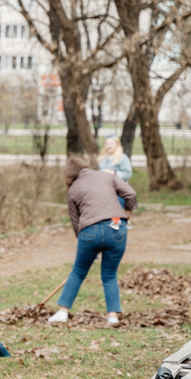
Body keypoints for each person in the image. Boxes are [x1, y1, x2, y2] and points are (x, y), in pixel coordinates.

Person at [47, 157, 137, 326]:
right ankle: (112, 317)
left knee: (78, 272)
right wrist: (127, 215)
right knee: (109, 275)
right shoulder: (107, 176)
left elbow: (76, 222)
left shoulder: (73, 189)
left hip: (89, 232)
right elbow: (130, 194)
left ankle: (62, 312)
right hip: (117, 228)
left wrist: (87, 247)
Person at [98, 135, 133, 210]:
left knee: (117, 210)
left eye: (112, 143)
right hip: (105, 189)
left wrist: (114, 173)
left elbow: (128, 174)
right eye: (107, 144)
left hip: (118, 189)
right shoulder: (102, 158)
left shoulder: (122, 158)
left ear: (117, 144)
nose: (109, 146)